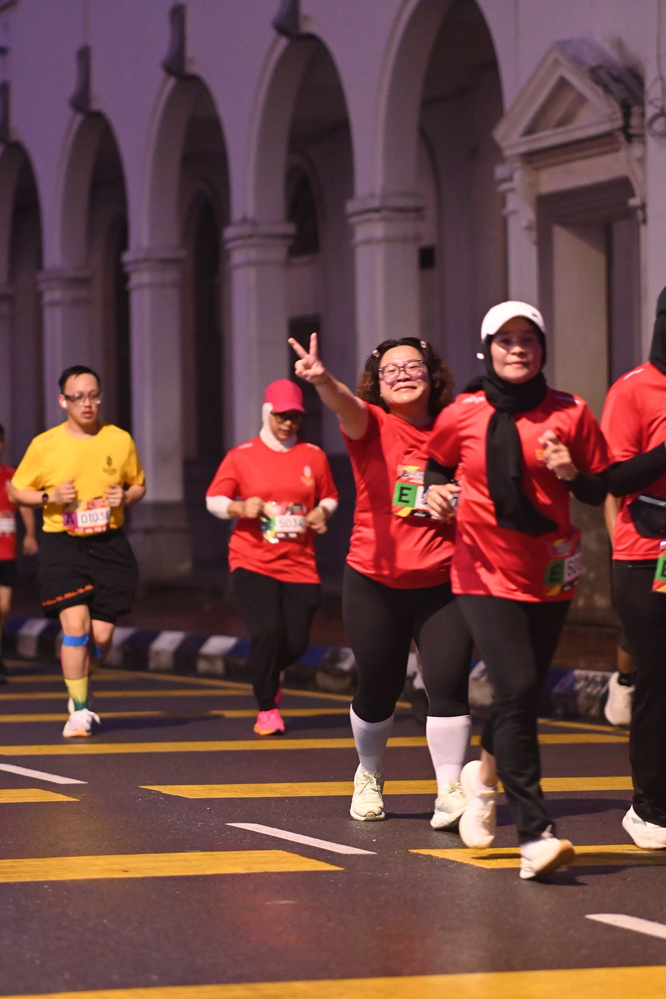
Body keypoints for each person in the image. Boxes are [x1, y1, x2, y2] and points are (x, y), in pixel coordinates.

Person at [426, 301, 610, 879]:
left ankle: (482, 782)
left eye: (528, 339)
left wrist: (570, 472)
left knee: (518, 696)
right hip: (480, 571)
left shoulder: (571, 412)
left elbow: (599, 485)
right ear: (488, 350)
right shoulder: (463, 412)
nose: (517, 350)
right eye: (505, 340)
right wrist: (434, 492)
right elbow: (434, 466)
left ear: (542, 348)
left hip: (549, 573)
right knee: (520, 686)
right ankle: (535, 835)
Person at [290, 332, 474, 828]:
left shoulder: (457, 426)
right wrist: (322, 380)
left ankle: (450, 789)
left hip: (443, 581)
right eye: (390, 370)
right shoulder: (370, 423)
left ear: (432, 375)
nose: (402, 375)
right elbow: (344, 403)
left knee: (448, 683)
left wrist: (457, 498)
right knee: (378, 687)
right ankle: (369, 772)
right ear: (377, 381)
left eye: (412, 366)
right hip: (374, 580)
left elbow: (483, 485)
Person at [10, 365, 146, 737]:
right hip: (62, 544)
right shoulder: (45, 445)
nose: (87, 404)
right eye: (78, 397)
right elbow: (16, 490)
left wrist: (125, 496)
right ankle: (80, 711)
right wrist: (49, 496)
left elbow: (138, 485)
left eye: (93, 396)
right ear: (63, 401)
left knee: (100, 638)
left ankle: (80, 682)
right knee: (76, 627)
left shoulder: (119, 439)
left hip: (108, 544)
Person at [205, 379, 338, 736]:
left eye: (295, 417)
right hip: (253, 558)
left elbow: (329, 496)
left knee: (296, 642)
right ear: (267, 413)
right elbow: (214, 499)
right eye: (281, 416)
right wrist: (239, 507)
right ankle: (267, 708)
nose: (288, 424)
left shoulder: (313, 455)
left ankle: (268, 670)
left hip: (300, 561)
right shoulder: (242, 455)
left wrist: (321, 512)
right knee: (266, 630)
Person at [600, 285, 666, 849]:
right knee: (660, 678)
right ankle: (649, 806)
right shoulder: (634, 389)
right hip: (648, 553)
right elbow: (615, 477)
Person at [0, 424, 39, 682]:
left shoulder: (12, 476)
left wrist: (30, 534)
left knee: (3, 608)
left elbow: (25, 504)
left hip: (6, 552)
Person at [603, 496, 635, 727]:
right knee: (636, 617)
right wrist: (621, 548)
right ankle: (624, 683)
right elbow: (612, 497)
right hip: (644, 547)